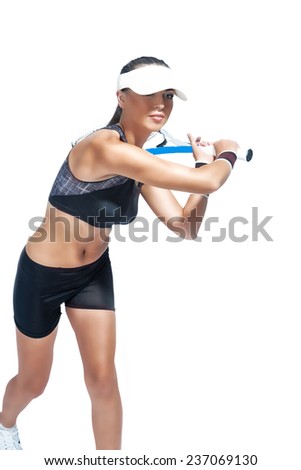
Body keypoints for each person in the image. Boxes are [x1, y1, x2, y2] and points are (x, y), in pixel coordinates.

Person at [0, 56, 239, 450]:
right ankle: (5, 424)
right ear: (122, 97)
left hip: (92, 274)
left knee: (103, 380)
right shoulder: (104, 147)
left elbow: (185, 226)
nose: (159, 103)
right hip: (42, 275)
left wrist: (202, 167)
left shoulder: (141, 163)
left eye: (166, 95)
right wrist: (225, 155)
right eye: (147, 94)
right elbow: (210, 180)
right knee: (33, 382)